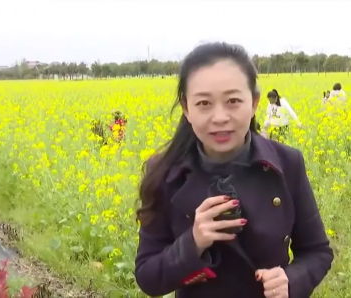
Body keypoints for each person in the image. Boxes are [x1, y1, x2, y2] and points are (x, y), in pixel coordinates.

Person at [134, 42, 333, 298]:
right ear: (186, 108)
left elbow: (317, 251)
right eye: (204, 103)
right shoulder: (164, 172)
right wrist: (193, 242)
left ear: (253, 104)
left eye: (233, 101)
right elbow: (148, 278)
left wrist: (290, 281)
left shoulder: (287, 163)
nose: (219, 117)